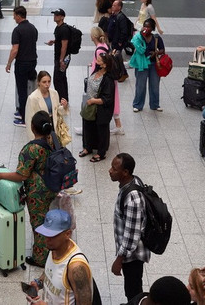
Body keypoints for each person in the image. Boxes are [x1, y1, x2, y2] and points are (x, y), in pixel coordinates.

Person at [0, 112, 59, 268]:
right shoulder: (54, 139)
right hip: (52, 185)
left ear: (32, 127)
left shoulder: (31, 149)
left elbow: (21, 175)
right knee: (48, 218)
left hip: (37, 192)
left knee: (39, 223)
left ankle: (40, 258)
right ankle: (52, 247)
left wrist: (0, 175)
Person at [24, 209, 95, 305]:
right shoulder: (54, 248)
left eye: (52, 235)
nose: (47, 239)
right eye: (46, 233)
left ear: (67, 234)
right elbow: (50, 271)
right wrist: (38, 283)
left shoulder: (76, 268)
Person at [109, 153, 150, 300]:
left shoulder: (132, 198)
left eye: (114, 169)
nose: (110, 171)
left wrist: (119, 260)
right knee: (132, 287)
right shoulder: (132, 181)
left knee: (133, 291)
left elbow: (131, 235)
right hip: (130, 253)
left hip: (133, 256)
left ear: (125, 172)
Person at [78, 52, 115, 163]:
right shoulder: (96, 71)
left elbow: (107, 98)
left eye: (99, 60)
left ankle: (101, 152)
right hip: (90, 105)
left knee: (101, 130)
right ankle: (87, 147)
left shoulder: (108, 79)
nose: (96, 61)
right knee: (88, 126)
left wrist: (94, 101)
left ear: (105, 65)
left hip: (100, 109)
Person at [6, 6, 38, 125]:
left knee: (22, 90)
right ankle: (25, 110)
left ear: (19, 16)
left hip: (22, 63)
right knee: (30, 87)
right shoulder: (33, 28)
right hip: (32, 61)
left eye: (14, 15)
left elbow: (15, 50)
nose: (13, 18)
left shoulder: (17, 30)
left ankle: (24, 117)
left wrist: (9, 63)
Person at [130, 18, 164, 113]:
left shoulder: (156, 37)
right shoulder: (139, 37)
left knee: (155, 85)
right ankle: (137, 105)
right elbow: (136, 46)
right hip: (141, 64)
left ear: (152, 28)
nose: (146, 28)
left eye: (148, 27)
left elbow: (162, 50)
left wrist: (156, 53)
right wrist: (141, 35)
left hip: (153, 64)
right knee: (140, 85)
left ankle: (155, 104)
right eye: (144, 26)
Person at [24, 71, 68, 141]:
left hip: (53, 126)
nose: (47, 84)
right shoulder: (32, 98)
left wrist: (64, 107)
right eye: (44, 82)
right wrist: (33, 139)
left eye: (49, 81)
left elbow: (57, 110)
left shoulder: (54, 93)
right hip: (40, 129)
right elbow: (29, 119)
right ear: (38, 83)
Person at [46, 8, 71, 102]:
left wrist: (61, 60)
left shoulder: (64, 29)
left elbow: (64, 46)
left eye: (57, 15)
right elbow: (60, 40)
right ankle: (65, 99)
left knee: (58, 79)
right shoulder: (58, 28)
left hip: (62, 59)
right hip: (60, 58)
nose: (55, 16)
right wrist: (54, 41)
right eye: (54, 15)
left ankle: (62, 100)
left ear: (62, 17)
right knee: (62, 78)